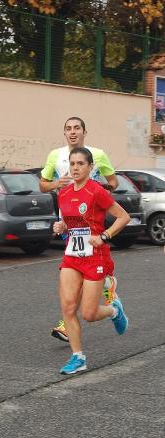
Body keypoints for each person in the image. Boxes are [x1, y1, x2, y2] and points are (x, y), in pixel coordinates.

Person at [40, 117, 119, 343]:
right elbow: (42, 184)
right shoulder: (55, 155)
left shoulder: (98, 155)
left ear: (85, 131)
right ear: (64, 133)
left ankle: (68, 323)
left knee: (84, 266)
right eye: (68, 129)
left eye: (77, 128)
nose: (72, 132)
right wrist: (58, 184)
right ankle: (104, 285)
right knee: (75, 269)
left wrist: (97, 189)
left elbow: (114, 183)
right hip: (68, 224)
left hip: (90, 222)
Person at [53, 147, 130, 374]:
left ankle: (114, 310)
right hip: (72, 256)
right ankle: (78, 357)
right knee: (68, 308)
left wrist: (104, 236)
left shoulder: (96, 191)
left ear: (90, 167)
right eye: (72, 163)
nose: (75, 168)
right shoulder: (63, 193)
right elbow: (71, 221)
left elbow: (123, 217)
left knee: (88, 314)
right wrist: (61, 226)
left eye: (80, 164)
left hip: (95, 255)